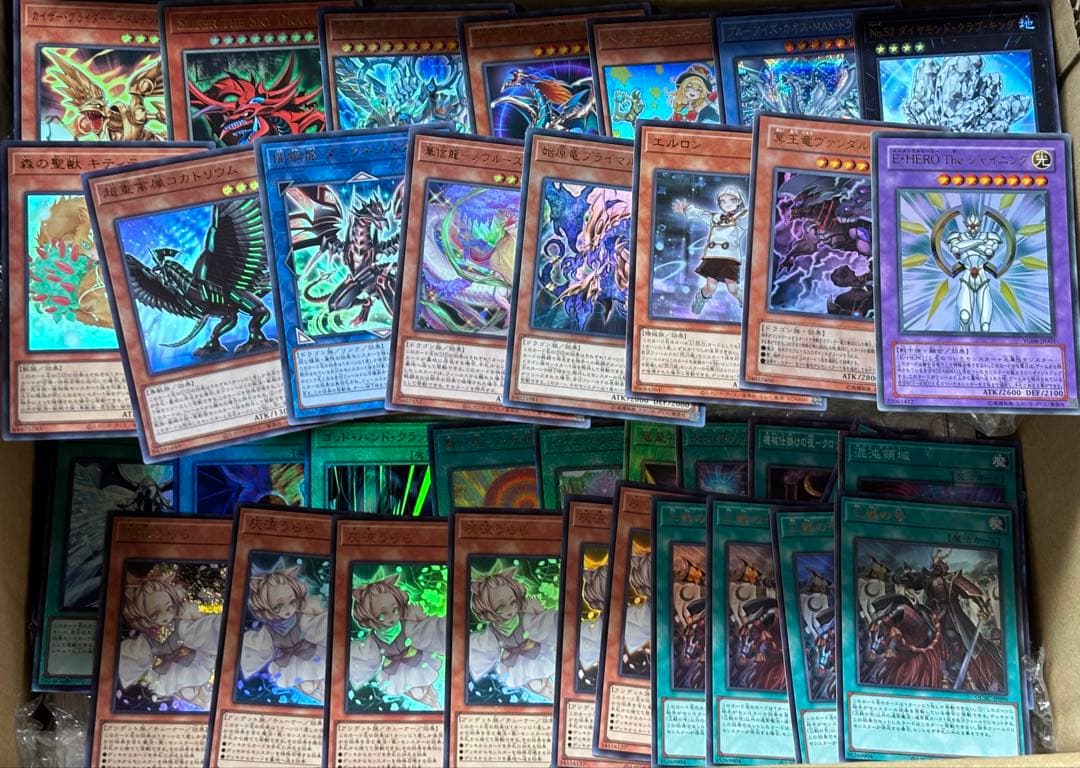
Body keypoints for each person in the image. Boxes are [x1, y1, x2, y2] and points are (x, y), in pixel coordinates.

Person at [117, 568, 221, 710]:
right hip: (167, 671)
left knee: (193, 687)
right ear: (144, 617)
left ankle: (201, 698)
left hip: (190, 663)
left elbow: (202, 632)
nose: (165, 616)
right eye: (155, 614)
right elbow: (133, 659)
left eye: (169, 608)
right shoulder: (146, 639)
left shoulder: (180, 626)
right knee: (176, 690)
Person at [348, 574, 445, 709]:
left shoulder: (406, 626)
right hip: (394, 671)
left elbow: (428, 633)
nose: (392, 618)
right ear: (369, 617)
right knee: (418, 694)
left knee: (429, 690)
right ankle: (433, 705)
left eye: (395, 610)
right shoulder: (374, 638)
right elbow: (366, 657)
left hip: (415, 662)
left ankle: (436, 705)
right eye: (382, 615)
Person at [240, 564, 328, 701]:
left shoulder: (301, 619)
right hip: (288, 664)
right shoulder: (268, 629)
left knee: (320, 682)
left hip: (310, 656)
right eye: (278, 607)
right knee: (308, 688)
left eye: (292, 602)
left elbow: (319, 628)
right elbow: (260, 648)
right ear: (266, 607)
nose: (287, 610)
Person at [468, 567, 558, 701]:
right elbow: (486, 649)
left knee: (544, 681)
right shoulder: (493, 630)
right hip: (515, 663)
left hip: (535, 655)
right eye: (500, 608)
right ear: (488, 610)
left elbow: (545, 626)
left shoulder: (524, 618)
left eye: (513, 603)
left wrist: (539, 611)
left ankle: (554, 698)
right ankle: (551, 698)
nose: (510, 610)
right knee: (534, 685)